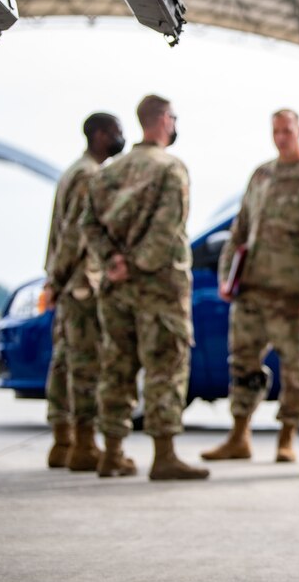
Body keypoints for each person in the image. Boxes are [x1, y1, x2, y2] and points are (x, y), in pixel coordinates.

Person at [80, 94, 209, 481]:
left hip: (117, 289)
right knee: (164, 369)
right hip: (159, 289)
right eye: (173, 118)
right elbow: (168, 228)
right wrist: (137, 265)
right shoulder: (170, 168)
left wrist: (113, 261)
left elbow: (88, 225)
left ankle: (112, 453)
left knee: (116, 368)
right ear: (164, 119)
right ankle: (164, 455)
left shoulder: (109, 172)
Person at [201, 110, 299, 463]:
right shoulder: (262, 174)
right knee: (242, 362)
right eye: (276, 131)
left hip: (292, 293)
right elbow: (240, 229)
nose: (281, 137)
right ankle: (239, 435)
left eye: (287, 131)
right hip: (252, 290)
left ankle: (287, 437)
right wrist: (227, 276)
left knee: (295, 367)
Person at [43, 113, 125, 470]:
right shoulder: (89, 176)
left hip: (70, 283)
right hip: (81, 284)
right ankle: (83, 444)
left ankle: (63, 441)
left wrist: (53, 277)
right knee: (85, 365)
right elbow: (75, 234)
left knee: (65, 361)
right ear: (100, 135)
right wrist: (58, 277)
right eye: (117, 132)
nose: (121, 138)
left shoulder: (73, 171)